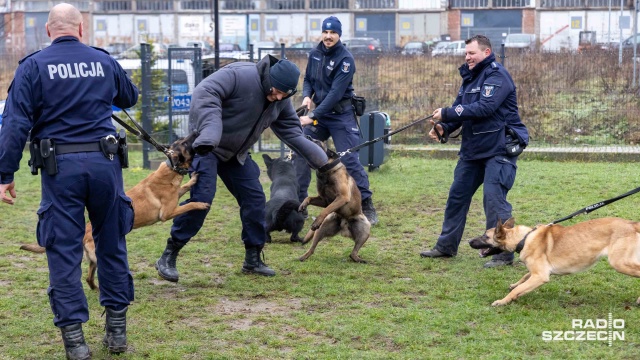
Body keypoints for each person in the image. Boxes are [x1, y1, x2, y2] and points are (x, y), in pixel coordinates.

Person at [0, 3, 139, 359]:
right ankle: (117, 333)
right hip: (105, 164)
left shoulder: (32, 66)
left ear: (49, 31)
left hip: (60, 168)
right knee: (112, 244)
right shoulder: (103, 60)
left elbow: (15, 124)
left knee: (63, 251)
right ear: (80, 29)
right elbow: (129, 98)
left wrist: (5, 174)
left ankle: (76, 344)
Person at [154, 55, 329, 281]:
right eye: (275, 91)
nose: (277, 97)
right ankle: (169, 255)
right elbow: (205, 92)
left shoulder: (280, 98)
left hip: (236, 155)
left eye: (283, 95)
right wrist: (209, 131)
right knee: (202, 201)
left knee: (255, 200)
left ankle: (253, 259)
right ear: (269, 78)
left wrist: (321, 161)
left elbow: (292, 132)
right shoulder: (239, 75)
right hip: (207, 147)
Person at [419, 35, 529, 268]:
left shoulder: (497, 75)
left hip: (498, 149)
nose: (467, 57)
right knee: (456, 197)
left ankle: (503, 254)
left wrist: (447, 114)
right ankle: (446, 247)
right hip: (473, 150)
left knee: (494, 200)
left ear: (486, 53)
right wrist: (443, 127)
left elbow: (485, 107)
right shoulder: (470, 78)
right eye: (466, 53)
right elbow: (464, 111)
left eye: (471, 53)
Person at [293, 15, 379, 225]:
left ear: (339, 35)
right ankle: (299, 204)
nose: (328, 36)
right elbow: (309, 80)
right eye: (326, 32)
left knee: (348, 159)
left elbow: (334, 94)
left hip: (340, 116)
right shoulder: (314, 54)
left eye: (333, 33)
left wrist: (311, 116)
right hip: (319, 118)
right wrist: (306, 95)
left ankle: (366, 203)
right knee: (302, 152)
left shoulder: (345, 59)